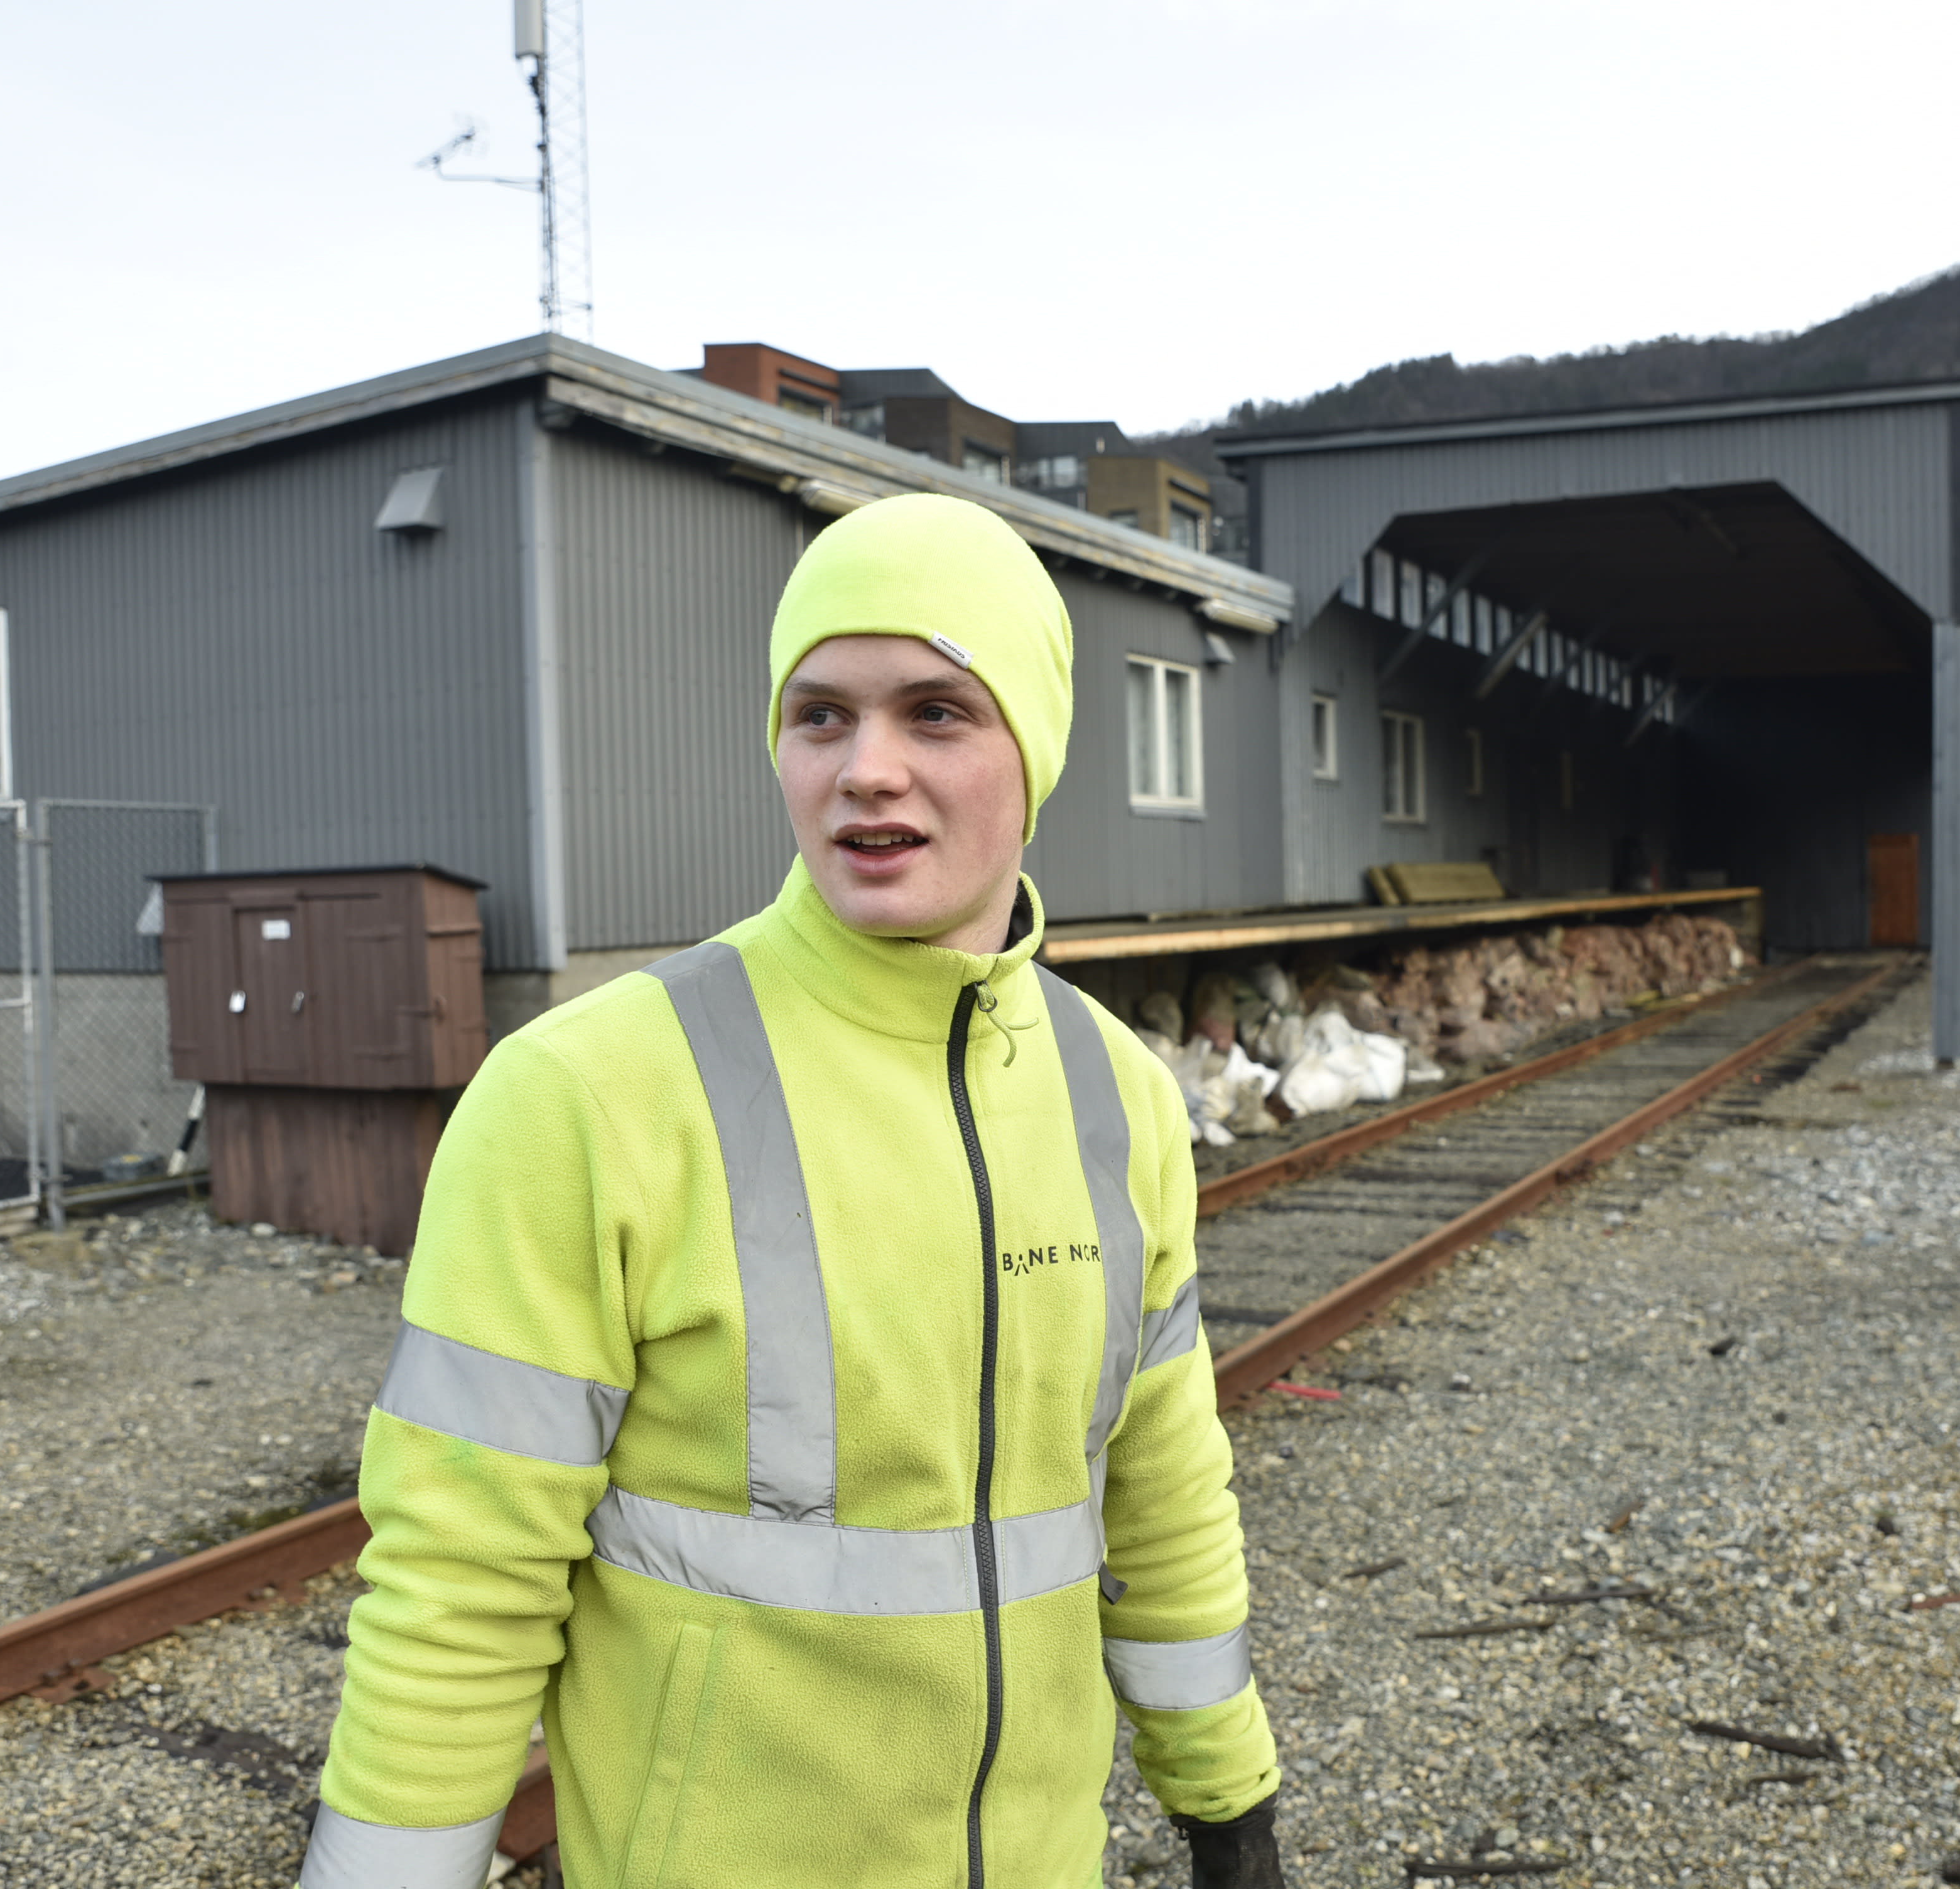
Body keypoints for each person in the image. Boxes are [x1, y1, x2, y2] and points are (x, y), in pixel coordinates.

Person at [299, 494, 1284, 1889]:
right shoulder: (586, 1092)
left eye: (936, 712)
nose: (867, 769)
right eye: (821, 715)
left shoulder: (1113, 1092)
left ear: (1038, 744)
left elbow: (1163, 1490)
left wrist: (1231, 1811)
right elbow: (459, 1586)